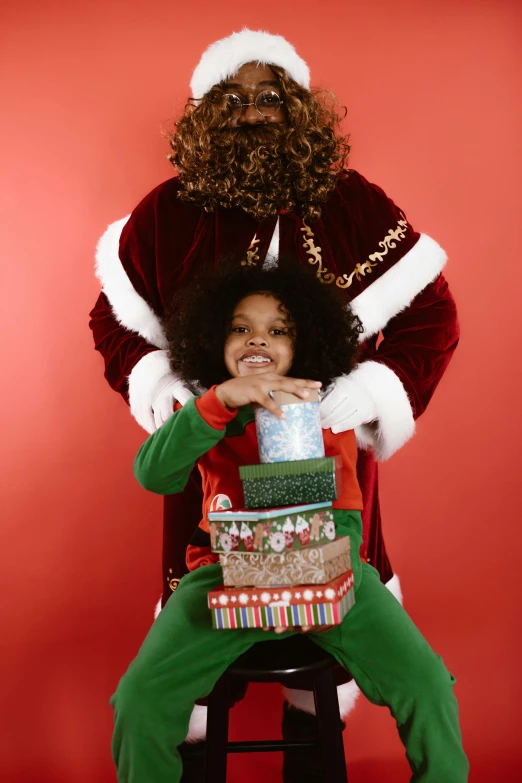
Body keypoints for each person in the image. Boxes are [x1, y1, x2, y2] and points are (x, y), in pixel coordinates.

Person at [89, 27, 459, 775]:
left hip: (327, 529)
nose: (254, 113)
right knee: (163, 697)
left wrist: (365, 393)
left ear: (296, 111)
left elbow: (431, 313)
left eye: (270, 98)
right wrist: (177, 395)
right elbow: (116, 325)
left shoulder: (351, 204)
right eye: (233, 99)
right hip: (216, 530)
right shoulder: (166, 216)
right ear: (205, 116)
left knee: (391, 669)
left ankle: (309, 757)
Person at [110, 264, 468, 783]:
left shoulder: (323, 408)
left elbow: (345, 517)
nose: (259, 338)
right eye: (241, 327)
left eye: (279, 330)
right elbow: (154, 474)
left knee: (429, 684)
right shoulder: (209, 409)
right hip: (223, 573)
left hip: (329, 570)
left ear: (305, 344)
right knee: (139, 698)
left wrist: (307, 572)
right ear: (215, 336)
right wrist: (216, 403)